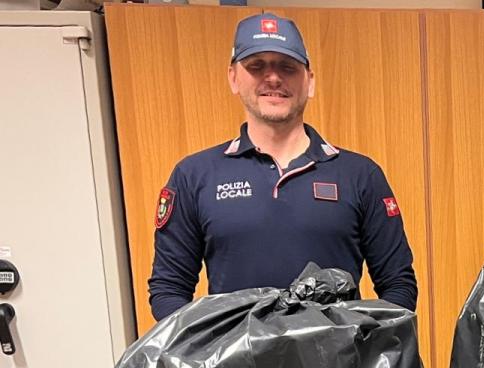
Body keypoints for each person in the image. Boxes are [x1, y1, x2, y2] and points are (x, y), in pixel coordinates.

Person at [148, 12, 417, 321]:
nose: (273, 78)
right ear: (233, 77)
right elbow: (169, 290)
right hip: (235, 354)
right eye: (256, 66)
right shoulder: (194, 176)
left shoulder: (360, 175)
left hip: (337, 353)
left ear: (310, 81)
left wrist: (361, 342)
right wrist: (211, 345)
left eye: (287, 66)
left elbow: (398, 286)